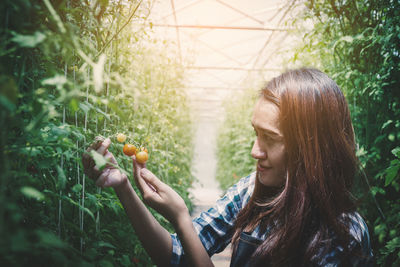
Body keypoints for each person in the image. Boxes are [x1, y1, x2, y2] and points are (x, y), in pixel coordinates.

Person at [82, 68, 373, 266]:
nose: (254, 151)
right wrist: (124, 188)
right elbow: (180, 255)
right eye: (255, 133)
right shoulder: (252, 192)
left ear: (312, 148)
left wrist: (182, 218)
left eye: (270, 138)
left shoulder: (342, 235)